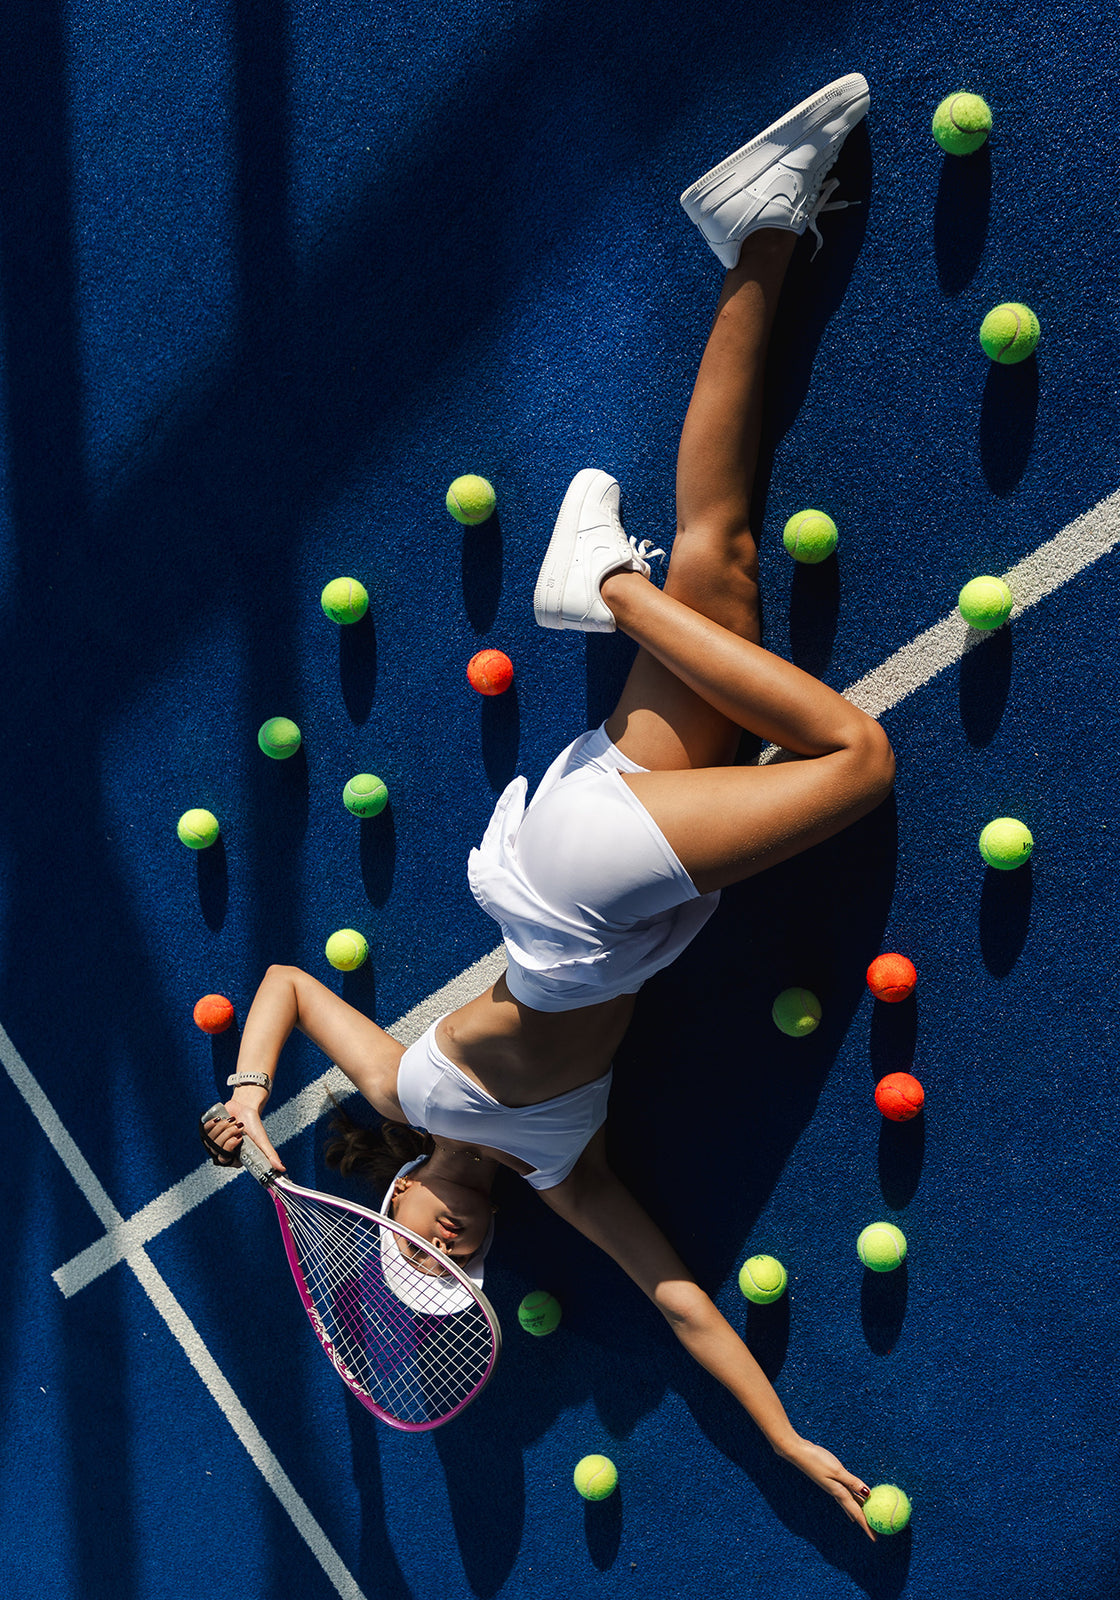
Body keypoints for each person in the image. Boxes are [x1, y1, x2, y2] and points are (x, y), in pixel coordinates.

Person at [202, 72, 893, 1539]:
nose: (445, 1252)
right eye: (452, 1277)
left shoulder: (399, 1094)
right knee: (730, 547)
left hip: (583, 879)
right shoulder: (570, 1180)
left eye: (416, 1253)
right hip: (617, 870)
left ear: (384, 1206)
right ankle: (760, 230)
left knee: (855, 765)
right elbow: (683, 1304)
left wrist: (252, 1092)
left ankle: (603, 587)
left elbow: (273, 980)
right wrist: (785, 1445)